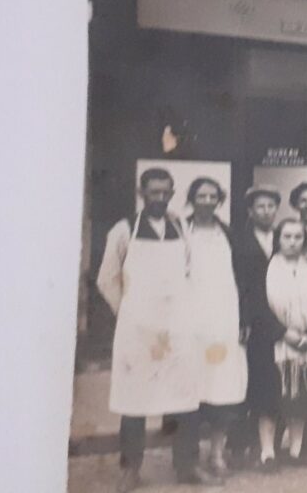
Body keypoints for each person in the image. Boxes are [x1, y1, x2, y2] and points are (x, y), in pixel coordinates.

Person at [96, 168, 219, 491]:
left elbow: (192, 272)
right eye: (154, 193)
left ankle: (186, 465)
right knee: (134, 399)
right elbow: (107, 278)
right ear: (142, 193)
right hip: (138, 330)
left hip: (178, 328)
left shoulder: (180, 226)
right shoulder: (124, 230)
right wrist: (129, 313)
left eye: (166, 192)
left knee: (184, 398)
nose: (160, 199)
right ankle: (131, 468)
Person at [250, 219, 307, 472]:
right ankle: (268, 453)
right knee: (270, 401)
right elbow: (259, 308)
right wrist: (285, 333)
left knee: (300, 400)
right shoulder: (266, 269)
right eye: (287, 237)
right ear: (278, 239)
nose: (292, 242)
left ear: (304, 241)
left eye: (297, 237)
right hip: (274, 345)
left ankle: (295, 451)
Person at [184, 178, 248, 477]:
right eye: (201, 196)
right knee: (192, 392)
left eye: (213, 196)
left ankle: (217, 454)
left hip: (224, 322)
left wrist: (242, 320)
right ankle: (189, 458)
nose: (207, 201)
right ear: (192, 199)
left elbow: (242, 281)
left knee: (223, 390)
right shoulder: (181, 231)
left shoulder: (229, 233)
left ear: (219, 200)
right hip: (191, 324)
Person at [228, 184, 281, 469]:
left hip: (279, 321)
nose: (266, 211)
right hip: (252, 322)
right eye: (260, 206)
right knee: (244, 383)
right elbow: (237, 284)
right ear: (250, 211)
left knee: (270, 384)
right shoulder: (239, 240)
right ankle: (238, 445)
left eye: (271, 206)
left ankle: (268, 447)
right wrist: (242, 318)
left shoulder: (285, 236)